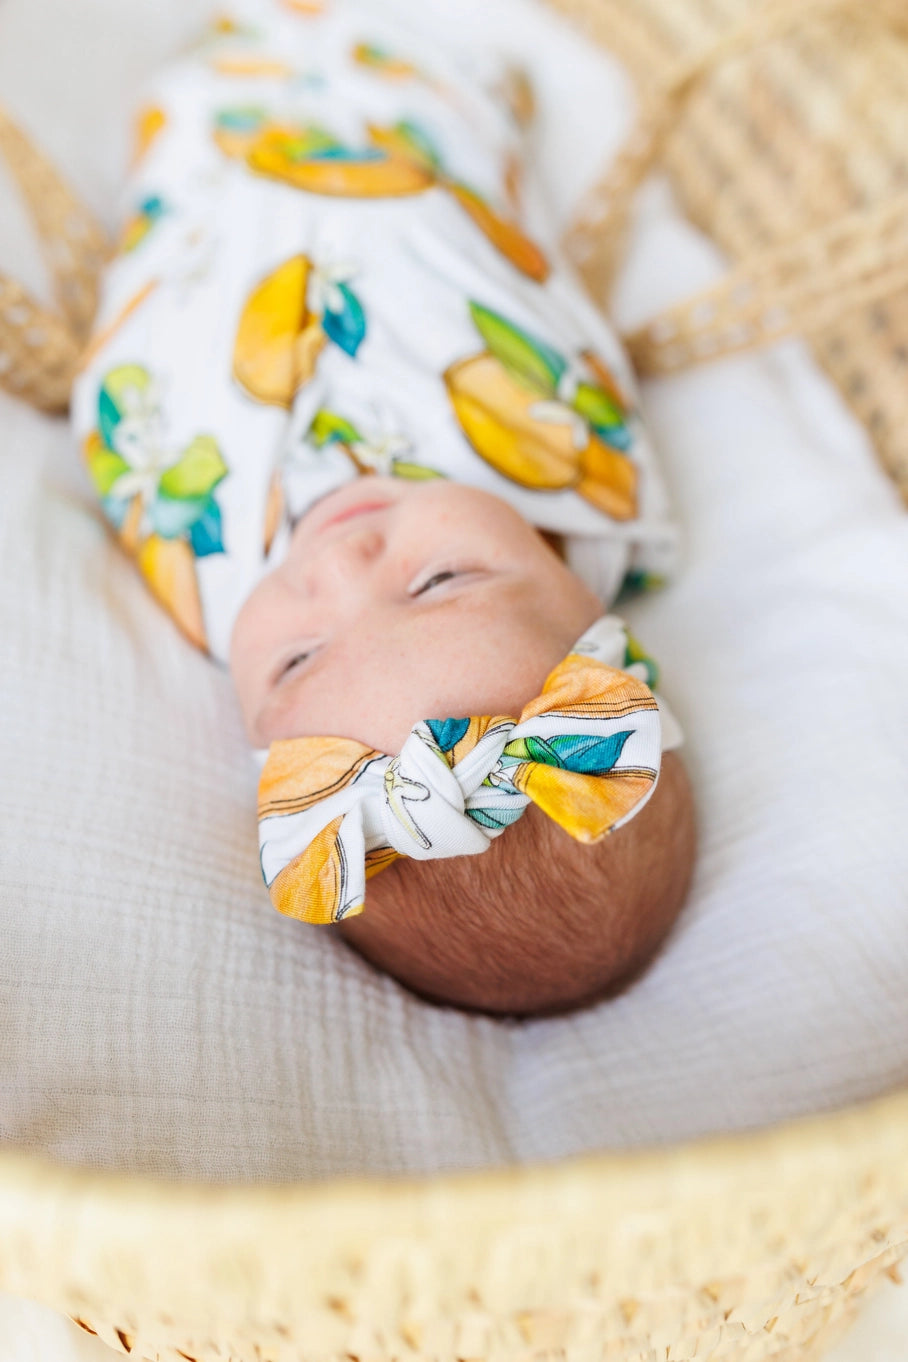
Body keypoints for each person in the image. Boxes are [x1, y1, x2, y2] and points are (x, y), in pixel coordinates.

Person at [71, 0, 696, 1014]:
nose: (338, 568)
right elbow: (529, 291)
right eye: (438, 580)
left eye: (297, 658)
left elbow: (130, 403)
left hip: (222, 158)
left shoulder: (210, 577)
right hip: (403, 117)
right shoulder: (577, 477)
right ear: (584, 607)